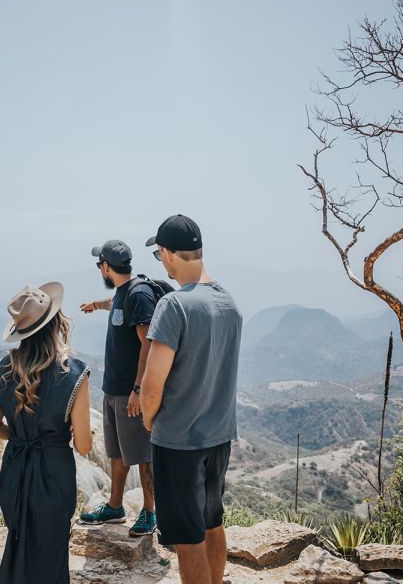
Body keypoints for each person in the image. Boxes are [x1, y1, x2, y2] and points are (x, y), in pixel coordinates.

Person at [140, 215, 243, 584]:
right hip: (219, 437)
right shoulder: (229, 302)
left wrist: (151, 420)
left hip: (179, 442)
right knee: (212, 523)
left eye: (159, 254)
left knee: (187, 539)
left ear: (167, 254)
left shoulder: (174, 306)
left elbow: (152, 387)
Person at [0, 282, 93, 584]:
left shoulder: (4, 368)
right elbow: (83, 445)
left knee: (19, 544)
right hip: (53, 474)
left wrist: (20, 437)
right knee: (50, 553)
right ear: (56, 322)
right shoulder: (74, 373)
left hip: (15, 471)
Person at [78, 240, 158, 536]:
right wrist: (97, 304)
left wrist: (138, 389)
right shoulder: (125, 293)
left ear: (106, 267)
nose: (99, 268)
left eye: (100, 264)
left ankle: (150, 511)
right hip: (113, 389)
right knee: (117, 451)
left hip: (130, 392)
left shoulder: (139, 293)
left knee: (142, 454)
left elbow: (148, 343)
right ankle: (115, 506)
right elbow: (116, 304)